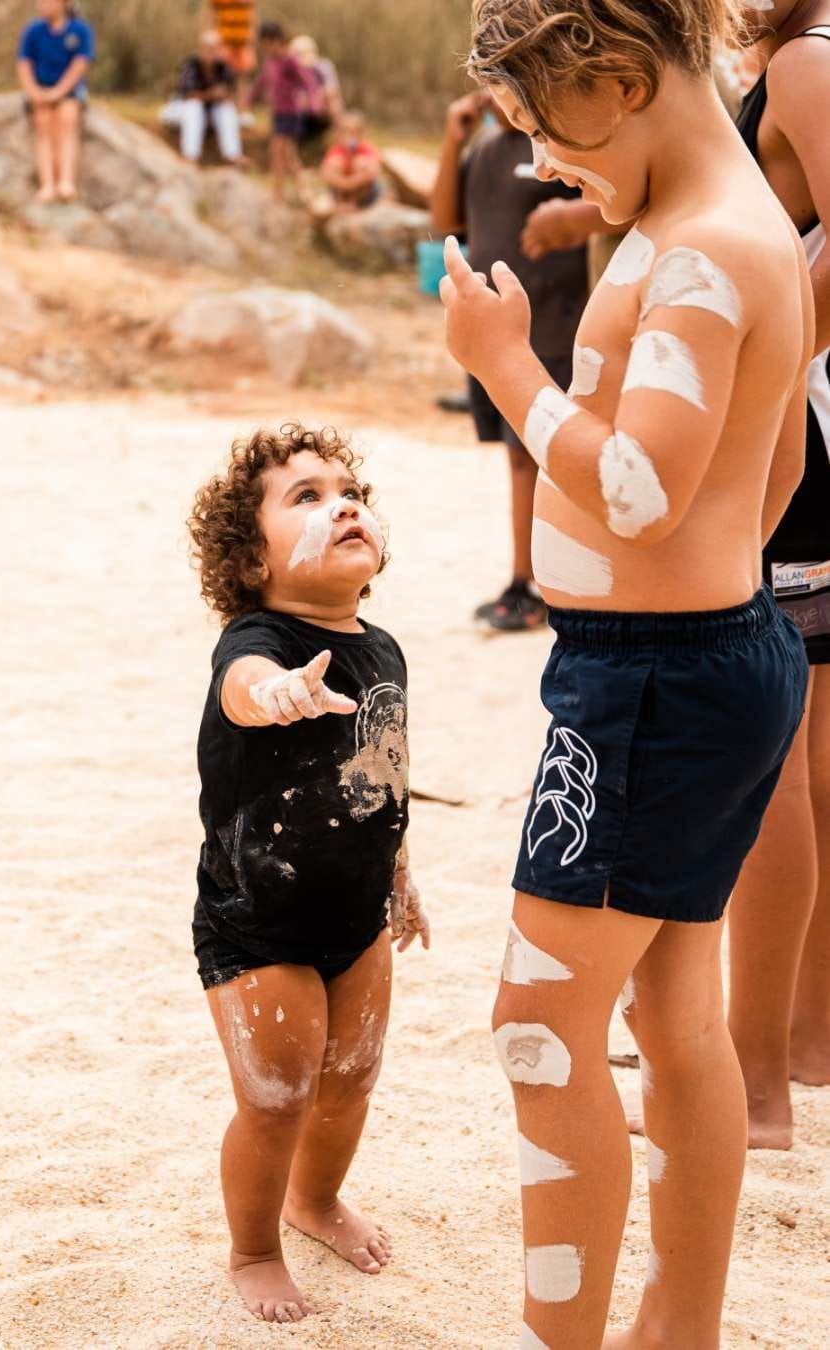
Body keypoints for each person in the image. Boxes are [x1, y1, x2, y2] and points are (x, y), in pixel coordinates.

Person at [441, 1, 811, 1344]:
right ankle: (679, 1329)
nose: (543, 160)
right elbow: (766, 470)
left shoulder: (703, 247)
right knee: (674, 1015)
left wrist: (507, 368)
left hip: (653, 686)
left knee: (539, 1030)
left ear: (618, 76)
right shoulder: (715, 222)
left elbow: (644, 484)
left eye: (548, 128)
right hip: (701, 659)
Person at [187, 424, 430, 1325]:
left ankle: (316, 1201)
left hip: (358, 915)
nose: (343, 505)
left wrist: (401, 872)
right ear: (253, 561)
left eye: (348, 490)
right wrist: (280, 691)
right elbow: (242, 688)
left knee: (352, 1078)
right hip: (258, 922)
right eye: (306, 498)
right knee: (277, 1095)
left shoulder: (385, 649)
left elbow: (383, 773)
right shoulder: (259, 638)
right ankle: (254, 1247)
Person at [726, 0, 830, 1151]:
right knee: (819, 751)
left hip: (802, 428)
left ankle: (754, 1086)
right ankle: (805, 1037)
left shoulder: (808, 58)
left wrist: (766, 347)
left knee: (775, 759)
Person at [432, 89, 588, 633]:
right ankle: (525, 580)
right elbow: (444, 221)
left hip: (555, 326)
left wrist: (574, 217)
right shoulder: (488, 150)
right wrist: (454, 142)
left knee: (552, 459)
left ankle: (549, 583)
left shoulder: (558, 143)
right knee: (518, 457)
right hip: (498, 334)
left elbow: (615, 205)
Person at [16, 0, 95, 204]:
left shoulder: (80, 30)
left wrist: (59, 92)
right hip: (39, 90)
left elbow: (80, 65)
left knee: (67, 119)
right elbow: (24, 64)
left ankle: (66, 181)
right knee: (42, 123)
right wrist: (33, 91)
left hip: (69, 92)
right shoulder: (33, 30)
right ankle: (47, 184)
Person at [160, 29, 245, 166]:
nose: (211, 53)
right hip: (183, 112)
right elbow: (189, 95)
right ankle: (190, 156)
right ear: (200, 49)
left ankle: (233, 155)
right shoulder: (190, 66)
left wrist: (223, 96)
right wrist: (212, 94)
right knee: (194, 107)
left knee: (225, 108)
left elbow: (231, 94)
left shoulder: (224, 68)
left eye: (214, 49)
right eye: (208, 49)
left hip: (210, 116)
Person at [250, 20, 312, 202]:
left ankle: (277, 190)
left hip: (290, 113)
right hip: (277, 113)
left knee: (278, 150)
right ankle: (301, 187)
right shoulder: (270, 62)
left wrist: (312, 100)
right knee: (289, 154)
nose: (265, 50)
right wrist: (250, 98)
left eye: (267, 45)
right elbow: (261, 82)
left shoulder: (289, 60)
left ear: (276, 41)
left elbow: (306, 80)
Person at [319, 111, 382, 213]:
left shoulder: (367, 149)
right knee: (336, 162)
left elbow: (374, 171)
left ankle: (354, 202)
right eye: (346, 131)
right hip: (341, 190)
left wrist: (351, 183)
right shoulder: (336, 150)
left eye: (354, 132)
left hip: (365, 193)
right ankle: (341, 203)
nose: (350, 136)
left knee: (361, 163)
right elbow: (325, 172)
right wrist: (344, 183)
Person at [291, 34, 344, 144]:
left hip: (321, 112)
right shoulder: (290, 71)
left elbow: (332, 90)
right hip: (300, 116)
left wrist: (313, 99)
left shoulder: (323, 66)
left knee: (334, 101)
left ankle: (341, 136)